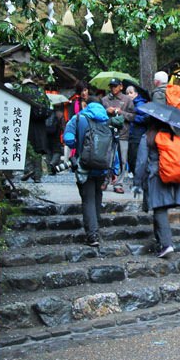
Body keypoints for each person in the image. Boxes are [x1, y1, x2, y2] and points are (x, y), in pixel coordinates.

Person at [64, 97, 114, 247]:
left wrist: (80, 145)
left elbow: (68, 139)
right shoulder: (106, 120)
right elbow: (112, 146)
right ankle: (95, 227)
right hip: (102, 167)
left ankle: (92, 235)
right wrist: (114, 168)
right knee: (97, 197)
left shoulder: (78, 118)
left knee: (88, 200)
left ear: (86, 105)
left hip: (84, 166)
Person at [134, 118, 180, 258]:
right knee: (160, 208)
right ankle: (160, 243)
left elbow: (141, 161)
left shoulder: (148, 137)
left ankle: (166, 244)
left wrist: (137, 182)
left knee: (159, 209)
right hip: (172, 175)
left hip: (156, 177)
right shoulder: (172, 135)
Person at [101, 78, 134, 193]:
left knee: (123, 160)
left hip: (123, 133)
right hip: (108, 132)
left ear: (121, 86)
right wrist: (106, 111)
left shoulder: (127, 100)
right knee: (107, 158)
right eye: (111, 86)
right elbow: (99, 115)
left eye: (115, 86)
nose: (113, 88)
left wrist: (121, 112)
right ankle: (105, 180)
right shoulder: (104, 100)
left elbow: (133, 116)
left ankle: (119, 183)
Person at [18, 77, 52, 182]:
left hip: (27, 123)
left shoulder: (22, 91)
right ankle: (37, 175)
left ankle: (28, 169)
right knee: (38, 150)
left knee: (27, 148)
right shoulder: (41, 92)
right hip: (40, 126)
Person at [125, 84, 148, 181]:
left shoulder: (140, 104)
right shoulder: (130, 103)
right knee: (131, 155)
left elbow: (146, 118)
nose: (129, 95)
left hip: (138, 133)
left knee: (134, 155)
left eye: (131, 93)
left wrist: (133, 118)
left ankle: (138, 177)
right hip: (132, 133)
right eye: (127, 93)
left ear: (136, 94)